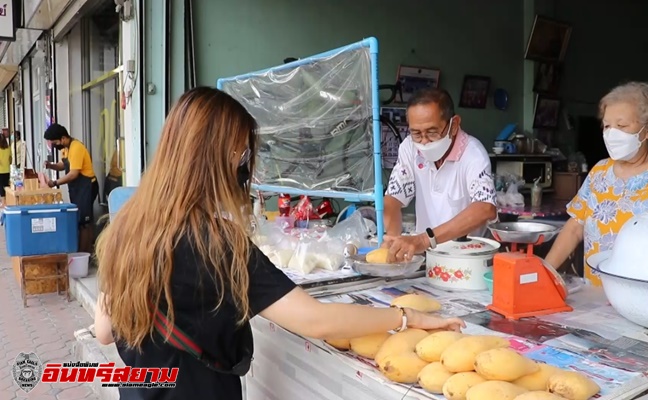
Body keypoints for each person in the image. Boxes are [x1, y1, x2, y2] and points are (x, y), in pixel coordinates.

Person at [92, 87, 464, 400]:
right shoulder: (218, 244)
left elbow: (104, 333)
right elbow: (317, 321)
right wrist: (406, 316)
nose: (245, 166)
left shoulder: (128, 224)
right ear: (221, 159)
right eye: (242, 154)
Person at [544, 82, 648, 286]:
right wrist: (543, 272)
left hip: (646, 295)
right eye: (607, 126)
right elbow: (575, 228)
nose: (612, 133)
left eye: (622, 125)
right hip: (596, 296)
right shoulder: (599, 172)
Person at [382, 88, 497, 263]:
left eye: (432, 132)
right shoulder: (409, 147)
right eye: (416, 133)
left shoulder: (473, 154)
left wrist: (423, 239)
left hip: (466, 260)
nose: (424, 141)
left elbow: (485, 208)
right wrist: (393, 240)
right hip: (426, 258)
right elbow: (393, 199)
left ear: (454, 124)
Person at [43, 124, 98, 254]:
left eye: (55, 142)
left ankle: (84, 253)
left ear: (63, 138)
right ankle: (86, 252)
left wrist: (54, 183)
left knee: (85, 222)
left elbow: (73, 173)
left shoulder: (76, 147)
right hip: (77, 189)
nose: (55, 145)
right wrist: (51, 166)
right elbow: (64, 165)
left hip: (87, 187)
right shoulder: (66, 149)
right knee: (81, 220)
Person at [0, 133, 12, 204]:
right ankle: (7, 201)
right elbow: (10, 159)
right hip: (7, 170)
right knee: (6, 186)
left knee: (1, 187)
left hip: (0, 170)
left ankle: (3, 202)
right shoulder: (8, 148)